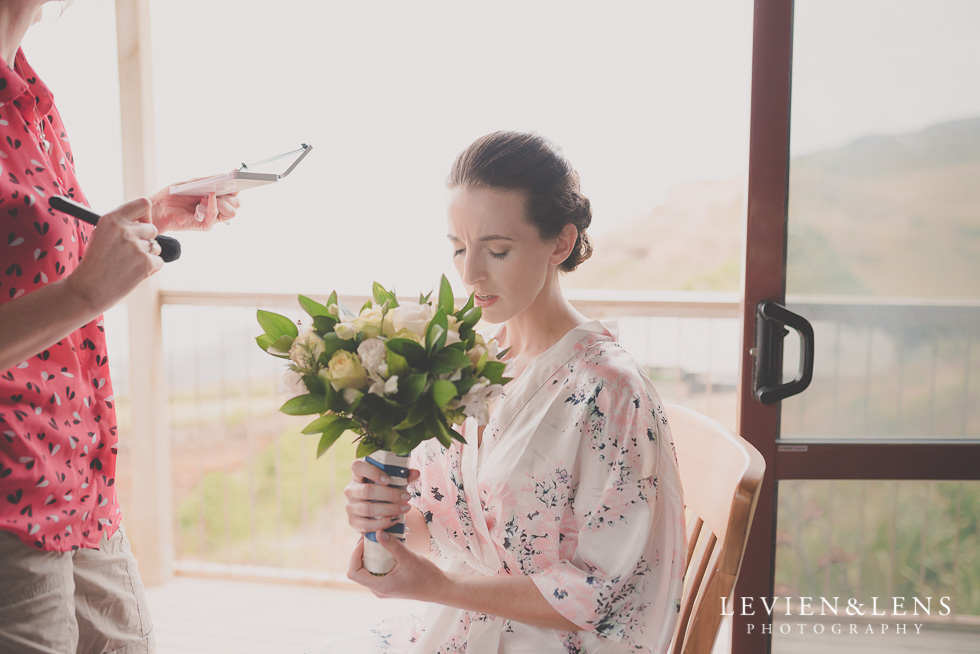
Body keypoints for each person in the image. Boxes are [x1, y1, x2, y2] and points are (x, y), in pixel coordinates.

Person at [334, 131, 686, 653]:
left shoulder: (609, 392)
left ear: (560, 243)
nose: (470, 273)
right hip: (467, 623)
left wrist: (441, 586)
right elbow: (449, 521)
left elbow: (594, 595)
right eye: (458, 248)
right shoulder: (476, 362)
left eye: (497, 250)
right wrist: (384, 513)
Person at [0, 1, 240, 651]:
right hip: (10, 499)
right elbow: (71, 287)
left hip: (78, 473)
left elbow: (29, 248)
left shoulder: (28, 88)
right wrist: (85, 292)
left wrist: (153, 215)